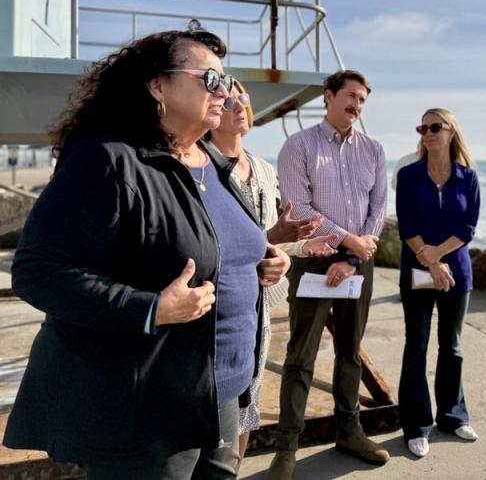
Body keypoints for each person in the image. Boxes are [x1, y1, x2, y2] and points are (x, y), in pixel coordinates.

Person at [3, 25, 290, 478]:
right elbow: (38, 271)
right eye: (211, 79)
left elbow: (210, 241)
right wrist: (150, 308)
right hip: (151, 407)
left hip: (226, 394)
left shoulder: (213, 163)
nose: (227, 92)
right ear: (158, 85)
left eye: (228, 80)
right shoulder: (108, 160)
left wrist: (263, 258)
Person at [206, 79, 337, 466]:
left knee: (249, 404)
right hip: (221, 311)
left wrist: (295, 250)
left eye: (242, 98)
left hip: (259, 309)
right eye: (226, 99)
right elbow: (216, 247)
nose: (237, 105)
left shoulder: (262, 169)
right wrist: (274, 238)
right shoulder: (201, 168)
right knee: (218, 413)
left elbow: (269, 242)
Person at [266, 70, 388, 479]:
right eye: (351, 96)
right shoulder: (298, 146)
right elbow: (297, 208)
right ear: (329, 97)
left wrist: (353, 256)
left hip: (356, 265)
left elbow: (377, 211)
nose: (357, 105)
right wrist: (346, 241)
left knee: (350, 352)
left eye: (362, 100)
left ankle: (349, 433)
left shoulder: (373, 150)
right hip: (313, 259)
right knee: (300, 357)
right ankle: (287, 448)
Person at [395, 108, 480, 458]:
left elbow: (468, 227)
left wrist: (439, 257)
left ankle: (452, 416)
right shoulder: (409, 175)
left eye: (435, 127)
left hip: (456, 272)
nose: (427, 132)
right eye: (423, 127)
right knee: (416, 345)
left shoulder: (467, 177)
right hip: (416, 269)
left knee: (452, 346)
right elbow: (406, 225)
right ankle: (416, 425)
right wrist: (430, 261)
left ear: (450, 132)